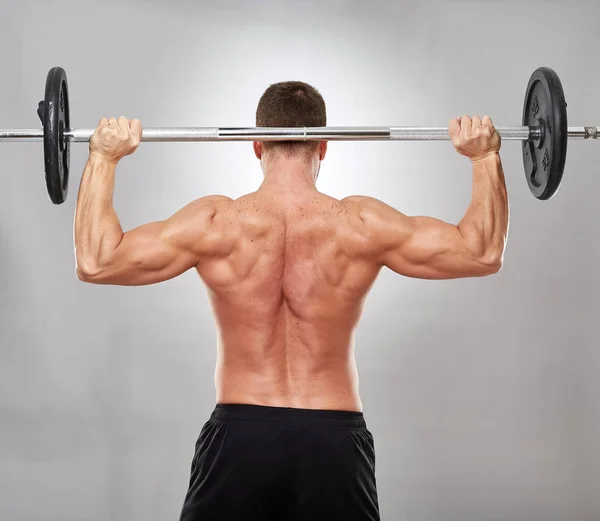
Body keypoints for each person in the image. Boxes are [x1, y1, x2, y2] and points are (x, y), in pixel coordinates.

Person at [73, 81, 508, 521]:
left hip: (240, 438)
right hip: (332, 439)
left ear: (256, 144)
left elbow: (97, 261)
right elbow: (482, 252)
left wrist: (104, 157)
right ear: (322, 146)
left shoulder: (214, 222)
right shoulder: (361, 223)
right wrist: (483, 157)